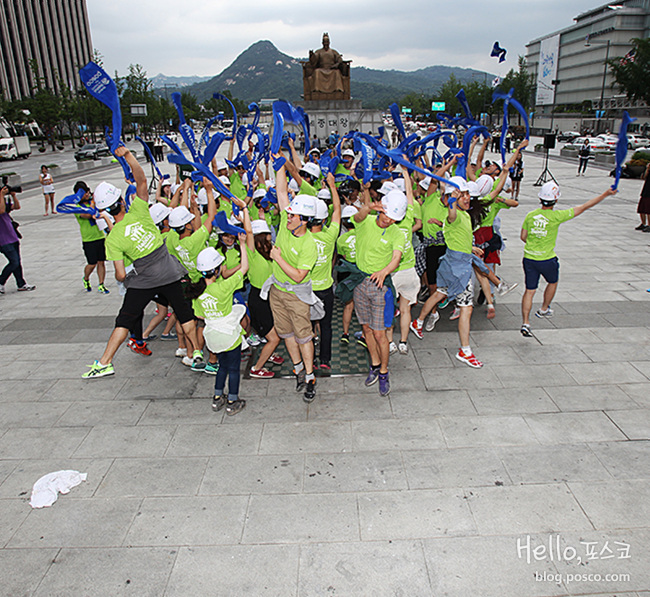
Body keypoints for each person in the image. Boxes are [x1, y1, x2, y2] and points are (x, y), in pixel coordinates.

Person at [82, 146, 199, 379]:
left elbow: (121, 276)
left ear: (106, 210)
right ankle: (196, 352)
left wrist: (131, 275)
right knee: (184, 312)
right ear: (122, 201)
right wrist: (127, 155)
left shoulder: (113, 238)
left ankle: (105, 362)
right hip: (169, 272)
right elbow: (142, 180)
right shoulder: (139, 209)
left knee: (125, 319)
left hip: (144, 280)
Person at [520, 182, 617, 337]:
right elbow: (584, 206)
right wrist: (605, 194)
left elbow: (523, 237)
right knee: (552, 282)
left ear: (540, 198)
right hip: (547, 258)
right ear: (555, 200)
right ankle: (544, 308)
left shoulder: (530, 216)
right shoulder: (558, 216)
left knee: (529, 290)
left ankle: (525, 322)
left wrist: (534, 243)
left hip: (529, 258)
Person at [264, 158, 320, 402]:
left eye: (292, 215)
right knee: (286, 334)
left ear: (304, 220)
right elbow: (281, 192)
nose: (287, 217)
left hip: (297, 295)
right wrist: (279, 167)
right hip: (277, 292)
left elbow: (299, 276)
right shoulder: (288, 226)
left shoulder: (310, 245)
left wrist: (277, 257)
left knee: (303, 336)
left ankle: (310, 376)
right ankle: (297, 369)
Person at [351, 187, 406, 396]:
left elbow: (396, 257)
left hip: (379, 287)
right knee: (366, 329)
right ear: (380, 208)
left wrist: (384, 272)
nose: (389, 221)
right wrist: (367, 207)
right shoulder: (366, 220)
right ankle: (374, 365)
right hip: (359, 282)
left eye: (393, 218)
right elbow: (357, 217)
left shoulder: (397, 233)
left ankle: (384, 371)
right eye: (386, 215)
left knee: (380, 333)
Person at [188, 246, 248, 415]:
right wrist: (242, 245)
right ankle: (232, 401)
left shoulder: (198, 291)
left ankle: (217, 398)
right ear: (216, 270)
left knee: (222, 367)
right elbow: (244, 268)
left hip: (212, 337)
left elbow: (199, 315)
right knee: (234, 369)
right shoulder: (223, 287)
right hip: (229, 336)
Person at [309, 173, 341, 370]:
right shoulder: (330, 235)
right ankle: (325, 360)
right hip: (326, 289)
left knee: (308, 327)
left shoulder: (301, 238)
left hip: (306, 290)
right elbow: (337, 209)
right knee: (326, 325)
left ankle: (309, 357)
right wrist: (332, 186)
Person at [73, 181, 110, 294]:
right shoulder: (77, 207)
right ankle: (86, 278)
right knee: (92, 263)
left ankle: (101, 284)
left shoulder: (92, 202)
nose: (87, 195)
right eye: (84, 193)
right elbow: (88, 214)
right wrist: (93, 203)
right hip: (88, 239)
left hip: (99, 236)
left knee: (101, 262)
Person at [0, 183, 35, 294]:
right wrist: (1, 195)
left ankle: (21, 284)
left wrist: (14, 196)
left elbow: (16, 207)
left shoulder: (3, 202)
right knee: (14, 262)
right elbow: (1, 211)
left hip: (12, 237)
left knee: (17, 262)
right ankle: (1, 282)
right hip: (3, 240)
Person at [635, 162, 650, 232]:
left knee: (648, 210)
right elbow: (643, 177)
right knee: (642, 209)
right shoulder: (648, 169)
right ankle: (643, 223)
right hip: (645, 191)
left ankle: (649, 225)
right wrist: (647, 169)